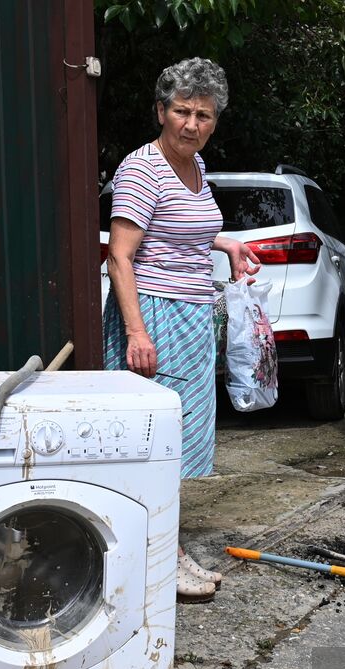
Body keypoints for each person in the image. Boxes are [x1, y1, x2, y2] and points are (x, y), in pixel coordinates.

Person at [103, 57, 260, 602]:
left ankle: (165, 546)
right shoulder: (142, 169)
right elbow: (121, 257)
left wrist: (229, 243)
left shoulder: (194, 167)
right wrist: (136, 334)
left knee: (178, 444)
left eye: (204, 114)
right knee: (150, 443)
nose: (192, 124)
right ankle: (153, 557)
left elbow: (183, 231)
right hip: (154, 315)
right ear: (160, 112)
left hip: (192, 317)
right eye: (181, 112)